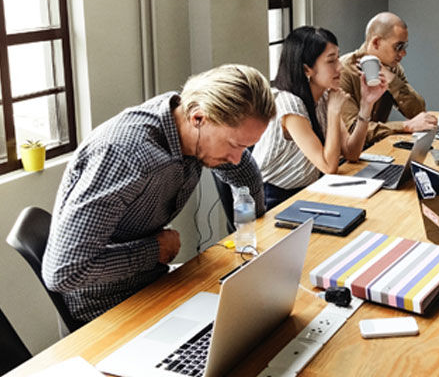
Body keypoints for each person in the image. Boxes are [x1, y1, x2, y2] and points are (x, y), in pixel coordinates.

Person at [43, 64, 274, 323]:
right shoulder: (124, 156)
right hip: (107, 307)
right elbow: (64, 272)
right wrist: (154, 250)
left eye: (246, 146)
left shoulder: (184, 118)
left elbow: (244, 173)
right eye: (234, 145)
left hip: (154, 280)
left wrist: (255, 229)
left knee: (257, 318)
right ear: (198, 118)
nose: (236, 158)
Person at [252, 26, 388, 209]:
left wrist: (366, 104)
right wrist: (333, 112)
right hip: (274, 198)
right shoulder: (289, 105)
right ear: (307, 69)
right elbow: (328, 167)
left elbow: (351, 152)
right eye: (331, 61)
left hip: (308, 189)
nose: (340, 66)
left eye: (338, 57)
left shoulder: (325, 96)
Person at [339, 12, 437, 145]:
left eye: (405, 46)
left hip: (377, 149)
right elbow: (352, 130)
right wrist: (404, 126)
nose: (403, 53)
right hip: (347, 158)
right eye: (398, 47)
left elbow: (418, 112)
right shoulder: (344, 71)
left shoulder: (393, 69)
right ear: (376, 42)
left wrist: (392, 81)